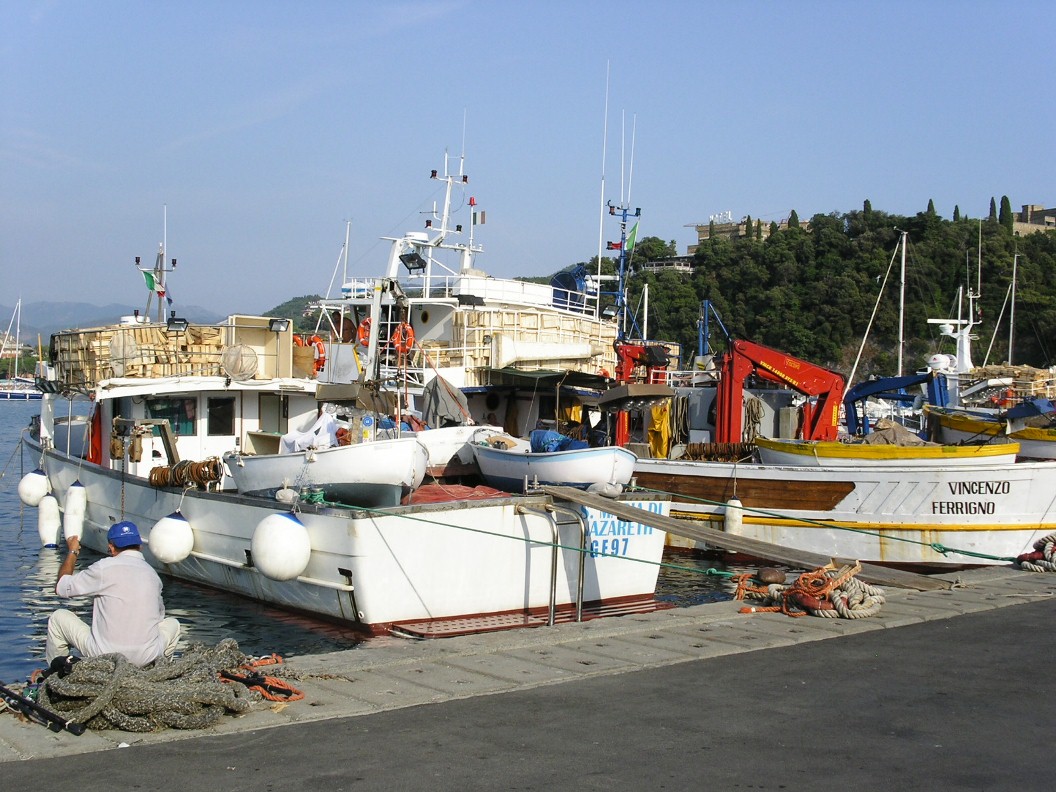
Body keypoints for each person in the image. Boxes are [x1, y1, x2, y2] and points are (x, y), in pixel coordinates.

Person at [46, 521, 181, 668]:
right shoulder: (152, 575)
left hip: (106, 655)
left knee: (58, 618)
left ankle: (55, 674)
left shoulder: (103, 568)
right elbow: (158, 617)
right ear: (140, 546)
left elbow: (61, 587)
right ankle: (161, 672)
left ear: (111, 547)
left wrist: (73, 551)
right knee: (173, 624)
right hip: (146, 656)